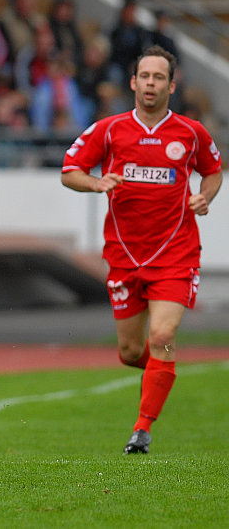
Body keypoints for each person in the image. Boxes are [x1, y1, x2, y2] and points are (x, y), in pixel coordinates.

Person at [61, 45, 222, 454]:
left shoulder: (190, 132)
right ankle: (161, 370)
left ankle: (142, 429)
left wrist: (205, 195)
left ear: (172, 84)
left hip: (176, 253)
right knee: (132, 351)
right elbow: (70, 171)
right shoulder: (110, 130)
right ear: (134, 83)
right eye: (145, 76)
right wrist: (95, 183)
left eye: (159, 77)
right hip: (124, 254)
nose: (151, 83)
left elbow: (213, 170)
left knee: (164, 334)